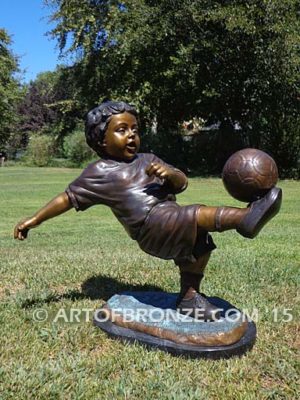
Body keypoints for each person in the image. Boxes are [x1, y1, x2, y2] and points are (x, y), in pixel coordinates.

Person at [14, 100, 282, 321]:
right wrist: (33, 220)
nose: (132, 135)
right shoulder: (98, 172)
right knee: (191, 214)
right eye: (122, 130)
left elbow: (182, 182)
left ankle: (189, 297)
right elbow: (66, 199)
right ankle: (244, 218)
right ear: (101, 140)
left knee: (200, 246)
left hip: (169, 217)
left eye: (135, 129)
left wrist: (170, 174)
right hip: (150, 228)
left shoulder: (148, 159)